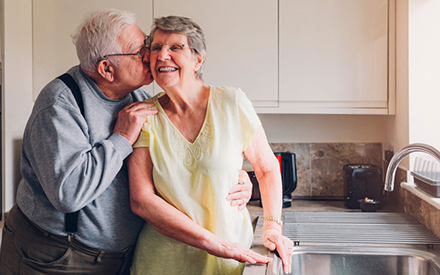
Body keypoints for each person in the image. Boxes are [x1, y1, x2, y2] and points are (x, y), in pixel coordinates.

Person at [0, 9, 253, 275]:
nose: (151, 54)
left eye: (146, 43)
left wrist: (236, 178)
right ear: (107, 68)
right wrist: (120, 139)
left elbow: (179, 166)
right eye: (138, 50)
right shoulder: (60, 104)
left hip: (121, 258)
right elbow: (69, 194)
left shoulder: (139, 99)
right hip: (56, 257)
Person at [127, 16, 293, 275]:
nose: (162, 55)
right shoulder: (144, 116)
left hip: (229, 262)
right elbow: (142, 201)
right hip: (162, 264)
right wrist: (214, 243)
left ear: (198, 59)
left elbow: (267, 168)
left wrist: (272, 226)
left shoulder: (231, 102)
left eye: (175, 47)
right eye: (156, 48)